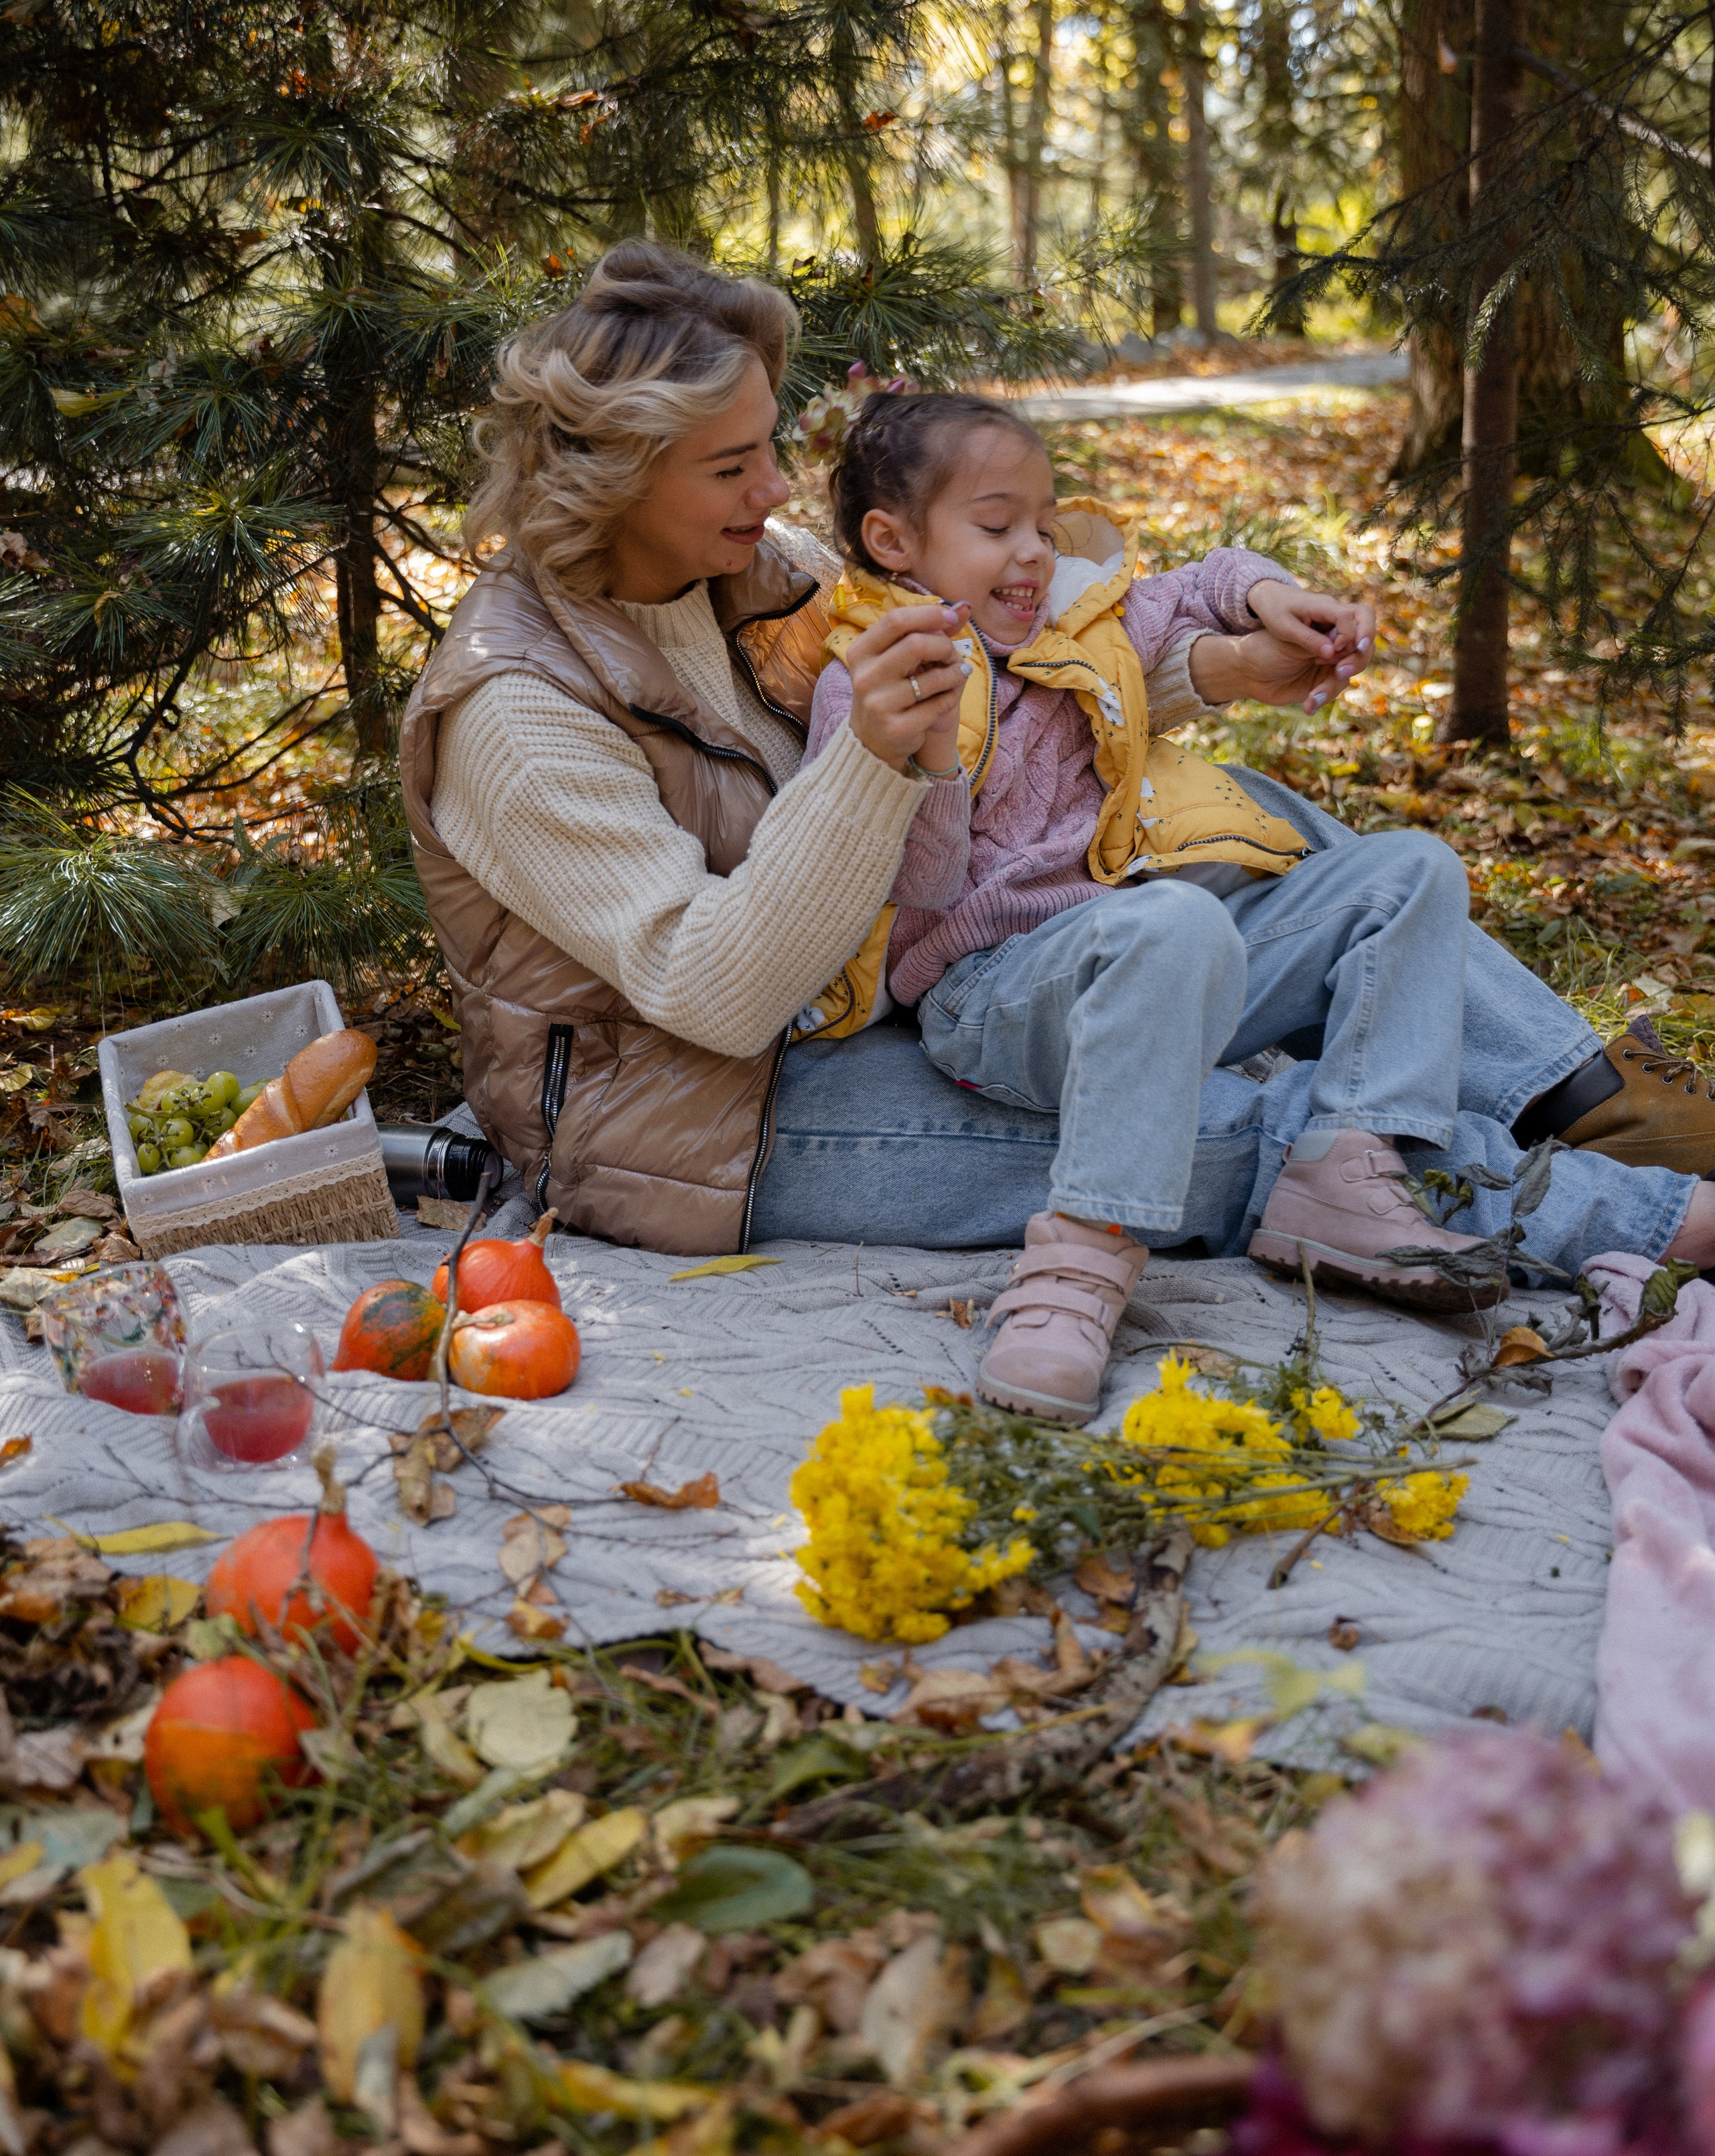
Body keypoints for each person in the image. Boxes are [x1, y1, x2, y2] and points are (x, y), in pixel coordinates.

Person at [397, 243, 1715, 1349]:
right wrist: (869, 765)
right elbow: (717, 997)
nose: (776, 489)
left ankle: (1580, 1093)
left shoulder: (753, 569)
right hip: (706, 1111)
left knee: (1254, 821)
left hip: (871, 982)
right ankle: (1631, 1216)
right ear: (621, 476)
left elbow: (1018, 686)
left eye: (769, 447)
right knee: (1225, 1130)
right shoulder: (514, 712)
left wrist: (1217, 665)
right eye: (732, 465)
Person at [801, 388, 1508, 1421]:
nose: (1034, 552)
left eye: (1043, 525)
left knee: (1409, 871)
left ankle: (1346, 1164)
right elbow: (909, 896)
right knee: (1175, 923)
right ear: (893, 540)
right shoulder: (874, 682)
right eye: (997, 527)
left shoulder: (1077, 623)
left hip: (1140, 952)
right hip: (986, 996)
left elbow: (1201, 583)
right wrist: (931, 764)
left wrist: (1274, 600)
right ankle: (1079, 1267)